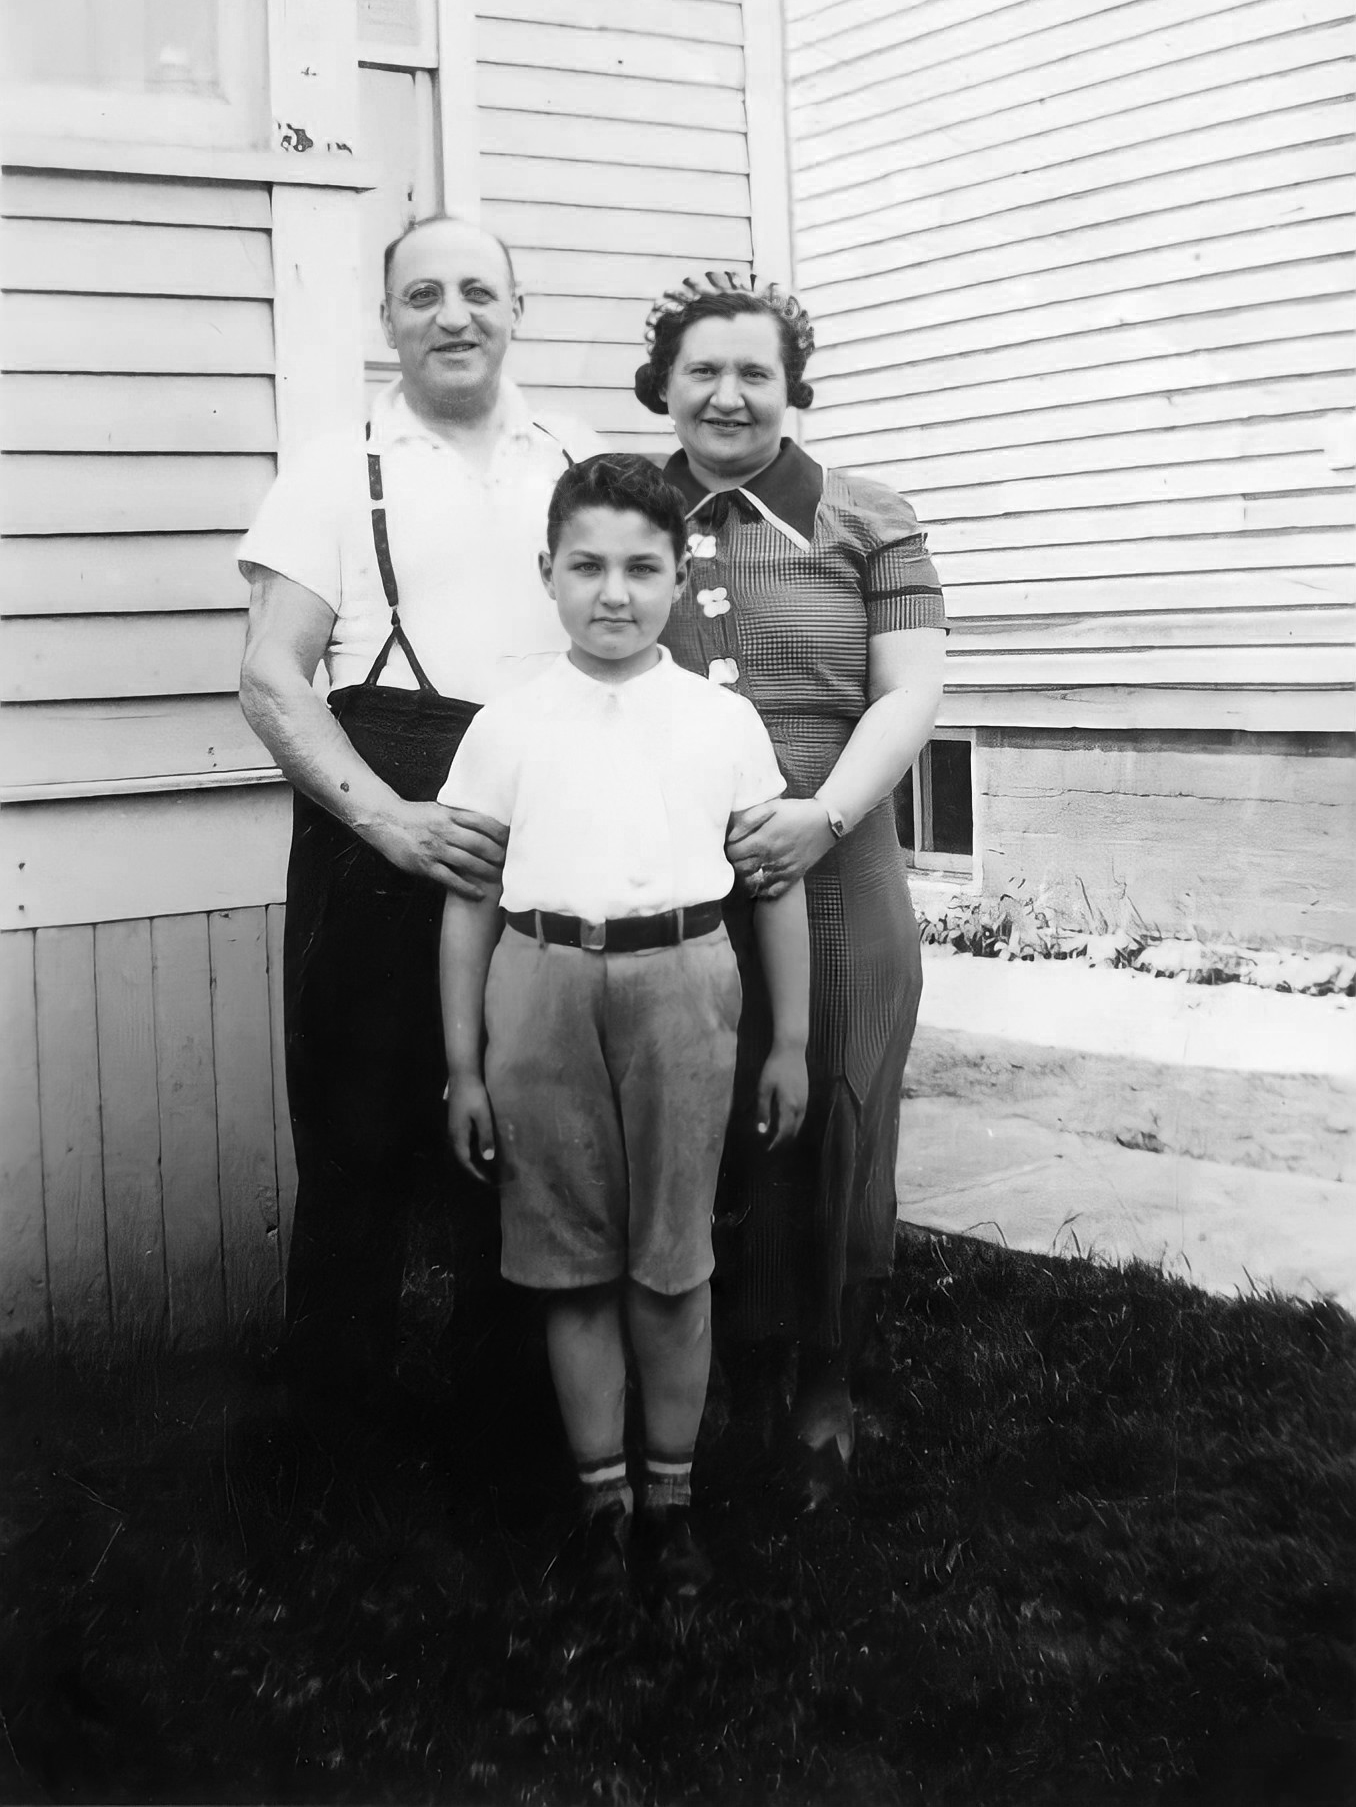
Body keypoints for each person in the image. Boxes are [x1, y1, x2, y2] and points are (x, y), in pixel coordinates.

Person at [237, 215, 600, 1408]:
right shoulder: (336, 467)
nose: (454, 314)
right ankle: (333, 1447)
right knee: (359, 1141)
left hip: (546, 831)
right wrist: (388, 820)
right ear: (385, 318)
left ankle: (506, 1430)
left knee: (532, 1135)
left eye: (479, 292)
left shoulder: (576, 457)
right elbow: (272, 675)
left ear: (517, 309)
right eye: (424, 294)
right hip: (384, 822)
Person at [437, 454, 811, 1601]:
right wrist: (463, 1065)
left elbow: (775, 886)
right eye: (587, 566)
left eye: (643, 567)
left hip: (684, 985)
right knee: (570, 1265)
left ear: (677, 572)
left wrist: (790, 1040)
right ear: (546, 573)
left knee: (672, 1258)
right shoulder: (506, 722)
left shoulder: (722, 717)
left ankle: (674, 1501)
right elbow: (468, 900)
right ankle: (603, 1506)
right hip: (540, 985)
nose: (614, 592)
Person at [633, 272, 947, 1495]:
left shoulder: (867, 516)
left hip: (835, 852)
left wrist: (823, 815)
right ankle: (711, 1378)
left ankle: (825, 1374)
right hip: (671, 867)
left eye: (754, 370)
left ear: (793, 386)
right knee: (700, 1122)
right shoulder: (625, 505)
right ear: (663, 383)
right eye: (701, 369)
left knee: (837, 1113)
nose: (726, 393)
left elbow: (910, 690)